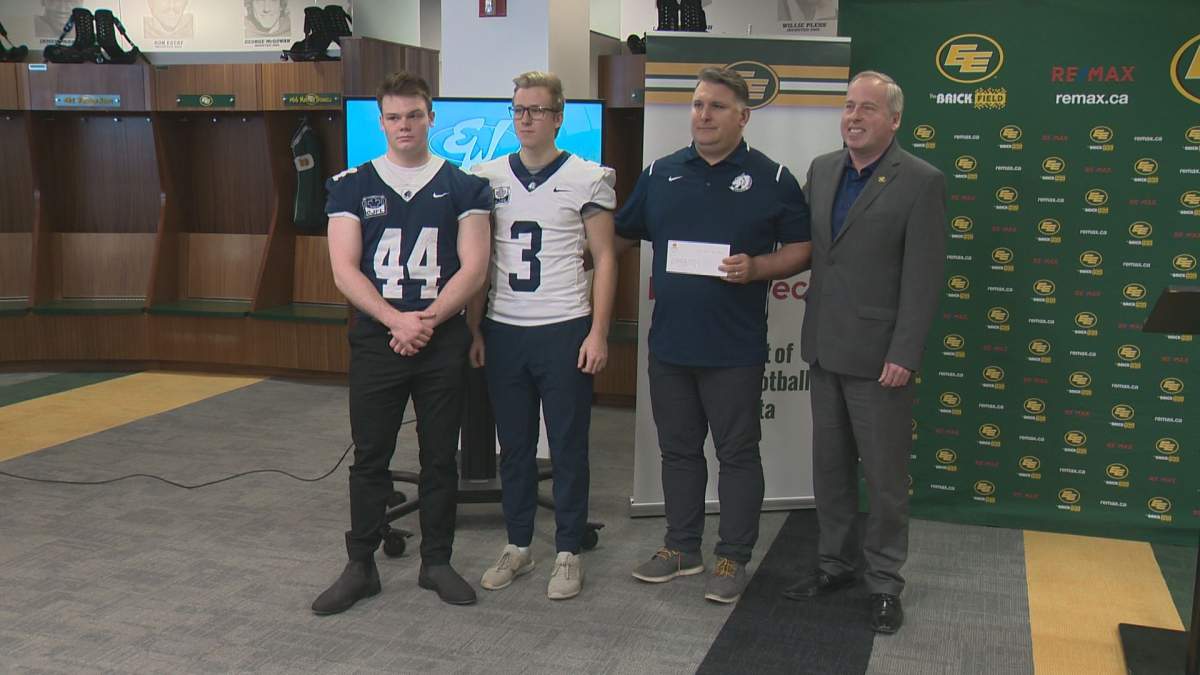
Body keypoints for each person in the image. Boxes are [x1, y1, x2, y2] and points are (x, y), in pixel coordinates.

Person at [615, 67, 812, 604]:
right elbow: (622, 235)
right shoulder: (660, 172)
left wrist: (758, 268)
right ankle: (682, 547)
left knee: (737, 455)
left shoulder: (773, 179)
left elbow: (802, 248)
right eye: (698, 105)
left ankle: (733, 554)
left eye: (717, 107)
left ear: (744, 116)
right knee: (678, 452)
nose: (703, 115)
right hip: (671, 346)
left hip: (733, 349)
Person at [312, 71, 492, 614]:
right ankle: (361, 564)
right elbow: (344, 270)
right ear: (382, 121)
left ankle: (436, 561)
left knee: (440, 456)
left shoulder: (465, 185)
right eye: (394, 117)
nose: (405, 125)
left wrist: (426, 321)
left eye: (415, 115)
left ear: (431, 117)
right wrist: (396, 320)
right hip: (377, 339)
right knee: (371, 455)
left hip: (439, 339)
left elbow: (475, 267)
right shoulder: (350, 185)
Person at [781, 70, 945, 634]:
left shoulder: (920, 181)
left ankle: (884, 584)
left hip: (881, 361)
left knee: (884, 476)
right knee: (829, 471)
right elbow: (802, 243)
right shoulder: (823, 169)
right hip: (825, 349)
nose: (853, 117)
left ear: (894, 120)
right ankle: (835, 565)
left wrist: (905, 352)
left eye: (867, 109)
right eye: (848, 106)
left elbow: (923, 279)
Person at [466, 71, 617, 601]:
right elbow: (478, 264)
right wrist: (476, 328)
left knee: (570, 446)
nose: (525, 118)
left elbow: (604, 258)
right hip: (505, 328)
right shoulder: (485, 177)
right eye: (517, 110)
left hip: (564, 327)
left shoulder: (587, 176)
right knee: (515, 448)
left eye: (536, 109)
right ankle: (519, 545)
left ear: (558, 116)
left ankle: (570, 550)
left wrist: (598, 333)